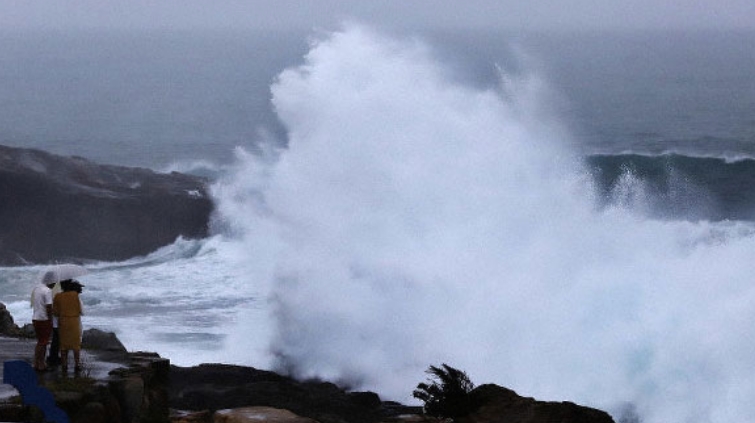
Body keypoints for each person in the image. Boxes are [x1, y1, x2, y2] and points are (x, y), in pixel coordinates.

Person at [52, 279, 84, 373]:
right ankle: (77, 365)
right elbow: (81, 310)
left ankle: (64, 365)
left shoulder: (58, 296)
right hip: (74, 321)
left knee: (63, 346)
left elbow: (55, 312)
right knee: (76, 345)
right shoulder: (75, 295)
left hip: (63, 322)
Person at [30, 278, 55, 371]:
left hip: (35, 317)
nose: (54, 285)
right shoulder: (48, 291)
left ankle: (36, 363)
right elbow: (49, 306)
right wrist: (51, 319)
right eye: (54, 282)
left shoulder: (37, 288)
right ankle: (41, 364)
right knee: (44, 342)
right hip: (44, 319)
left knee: (40, 342)